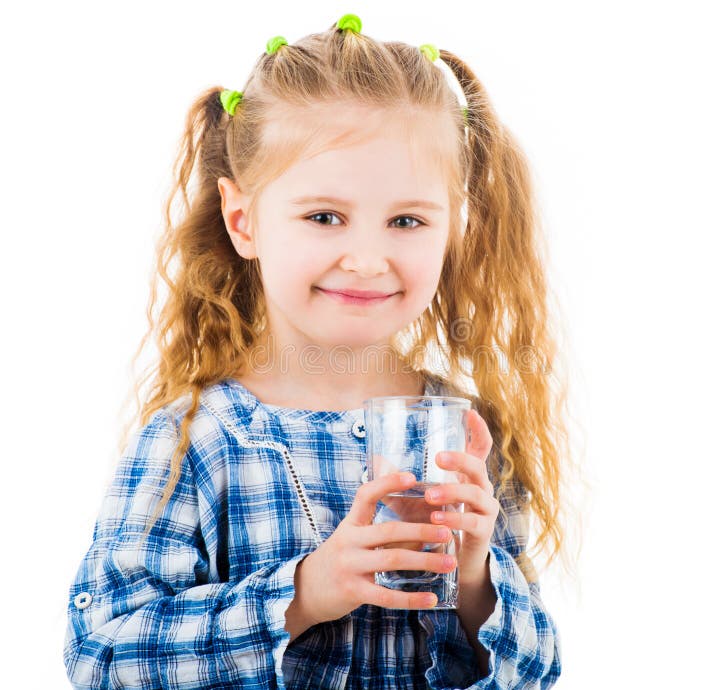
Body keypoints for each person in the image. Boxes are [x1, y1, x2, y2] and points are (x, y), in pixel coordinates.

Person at [64, 12, 573, 689]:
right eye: (324, 216)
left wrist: (477, 576)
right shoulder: (197, 440)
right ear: (244, 221)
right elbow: (99, 654)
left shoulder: (466, 432)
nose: (366, 259)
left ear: (453, 227)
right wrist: (304, 593)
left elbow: (537, 672)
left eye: (407, 220)